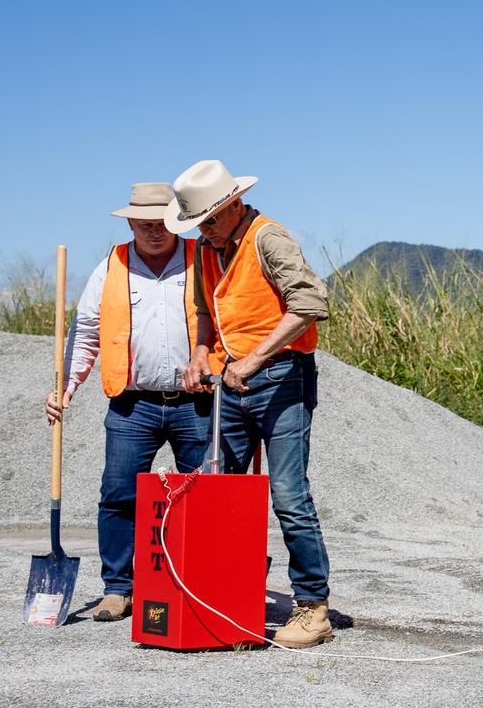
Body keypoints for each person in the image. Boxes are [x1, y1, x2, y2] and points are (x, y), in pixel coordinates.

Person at [168, 159, 334, 649]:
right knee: (215, 488)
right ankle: (225, 594)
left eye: (212, 220)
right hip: (231, 381)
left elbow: (311, 302)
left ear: (234, 204)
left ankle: (313, 607)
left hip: (282, 376)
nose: (207, 231)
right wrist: (201, 353)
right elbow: (203, 310)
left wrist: (256, 358)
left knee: (287, 492)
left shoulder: (269, 238)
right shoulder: (206, 248)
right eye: (200, 224)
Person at [45, 182, 213, 622]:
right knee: (118, 495)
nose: (153, 231)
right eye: (144, 224)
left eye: (161, 223)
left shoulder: (203, 258)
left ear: (175, 222)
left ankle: (199, 584)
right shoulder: (111, 266)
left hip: (196, 403)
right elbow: (85, 333)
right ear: (130, 223)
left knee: (204, 497)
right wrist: (65, 386)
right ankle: (119, 588)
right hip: (131, 405)